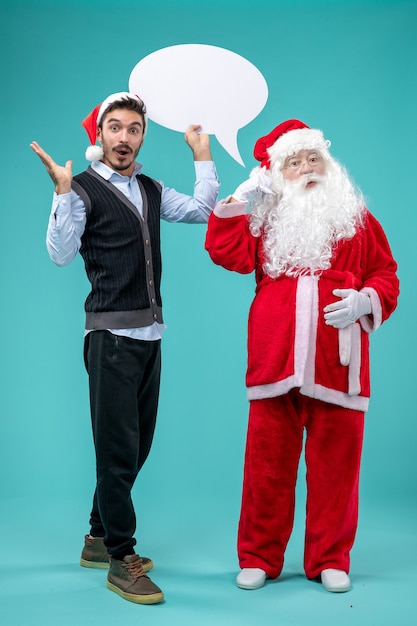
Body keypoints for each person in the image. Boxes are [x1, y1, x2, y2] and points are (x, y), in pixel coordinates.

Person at [30, 91, 219, 605]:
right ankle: (121, 557)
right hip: (109, 339)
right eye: (115, 127)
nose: (124, 137)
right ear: (100, 136)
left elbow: (205, 209)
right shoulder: (84, 190)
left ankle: (95, 538)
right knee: (116, 454)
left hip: (150, 336)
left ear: (141, 138)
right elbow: (60, 255)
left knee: (135, 449)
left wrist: (201, 151)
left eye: (133, 129)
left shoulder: (152, 188)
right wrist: (61, 193)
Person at [205, 119, 399, 593]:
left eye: (314, 157)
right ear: (277, 174)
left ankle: (331, 558)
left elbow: (386, 274)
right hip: (275, 358)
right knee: (266, 468)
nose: (308, 167)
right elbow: (223, 250)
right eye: (294, 161)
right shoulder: (265, 221)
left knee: (337, 467)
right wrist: (240, 196)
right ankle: (258, 557)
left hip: (339, 363)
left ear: (328, 165)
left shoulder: (356, 218)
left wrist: (365, 300)